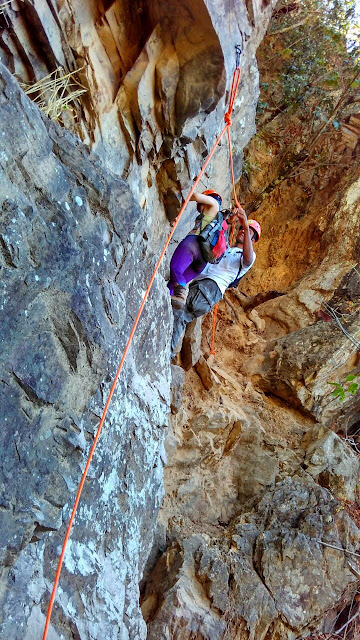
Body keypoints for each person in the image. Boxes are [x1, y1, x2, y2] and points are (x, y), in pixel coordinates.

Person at [171, 208, 261, 356]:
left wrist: (245, 224)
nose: (243, 231)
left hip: (210, 289)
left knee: (180, 313)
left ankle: (166, 354)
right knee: (177, 312)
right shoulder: (226, 249)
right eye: (242, 229)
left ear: (253, 240)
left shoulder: (247, 258)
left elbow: (248, 258)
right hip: (200, 286)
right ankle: (166, 353)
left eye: (249, 232)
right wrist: (227, 218)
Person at [168, 189, 224, 308]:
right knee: (175, 282)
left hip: (193, 244)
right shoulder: (219, 223)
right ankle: (167, 302)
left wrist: (181, 198)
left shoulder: (213, 204)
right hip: (203, 260)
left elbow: (194, 195)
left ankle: (181, 295)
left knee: (175, 268)